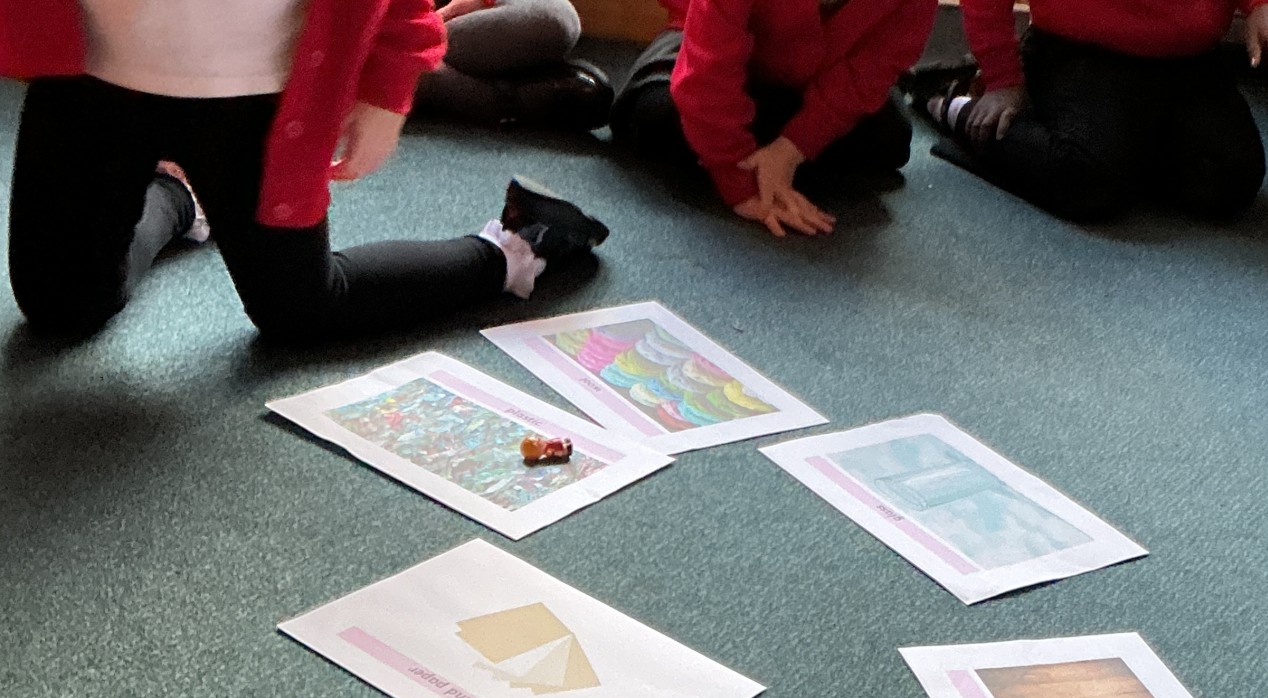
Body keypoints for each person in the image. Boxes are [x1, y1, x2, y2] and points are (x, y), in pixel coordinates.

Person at [1, 1, 608, 344]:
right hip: (87, 78)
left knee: (301, 310)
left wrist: (390, 80)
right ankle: (182, 195)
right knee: (62, 308)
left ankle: (514, 248)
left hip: (254, 99)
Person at [912, 0, 1268, 222]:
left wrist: (1266, 5)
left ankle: (1121, 150)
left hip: (1188, 59)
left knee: (1231, 183)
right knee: (1087, 183)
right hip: (1081, 53)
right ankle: (950, 102)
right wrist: (1003, 78)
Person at [609, 0, 939, 238]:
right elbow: (707, 71)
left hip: (824, 68)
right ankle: (744, 148)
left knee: (889, 139)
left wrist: (791, 149)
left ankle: (755, 148)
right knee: (655, 114)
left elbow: (872, 66)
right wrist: (736, 176)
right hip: (706, 43)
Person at [414, 0, 613, 132]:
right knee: (553, 20)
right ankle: (497, 100)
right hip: (407, 32)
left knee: (556, 17)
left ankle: (432, 77)